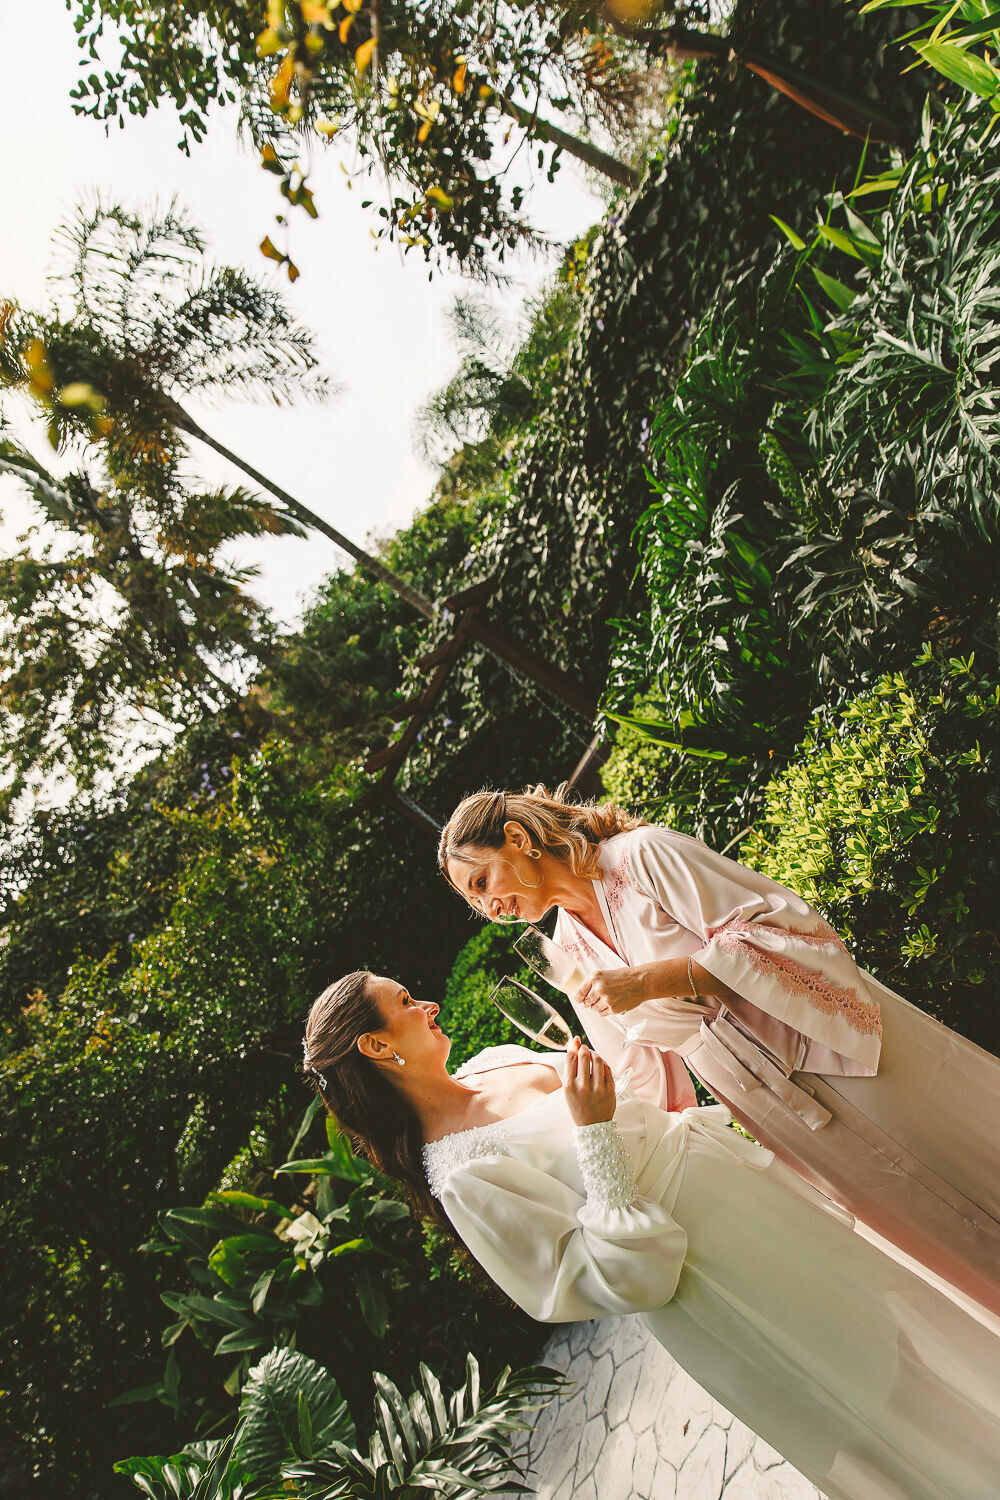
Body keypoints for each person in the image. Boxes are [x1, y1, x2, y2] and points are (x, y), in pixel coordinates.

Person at [302, 971, 1000, 1500]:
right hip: (712, 1273)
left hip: (750, 1205)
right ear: (376, 1045)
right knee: (871, 1383)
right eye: (404, 1004)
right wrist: (593, 1130)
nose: (426, 1003)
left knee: (897, 1320)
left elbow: (633, 1103)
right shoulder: (459, 1175)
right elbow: (591, 1280)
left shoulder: (493, 1059)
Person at [437, 786, 1000, 1318]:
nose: (490, 908)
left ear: (517, 837)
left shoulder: (641, 858)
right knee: (908, 1211)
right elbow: (638, 1064)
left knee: (956, 1137)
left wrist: (654, 980)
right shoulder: (565, 950)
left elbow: (777, 923)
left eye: (482, 882)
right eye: (474, 902)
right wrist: (635, 1143)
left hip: (815, 1032)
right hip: (752, 1092)